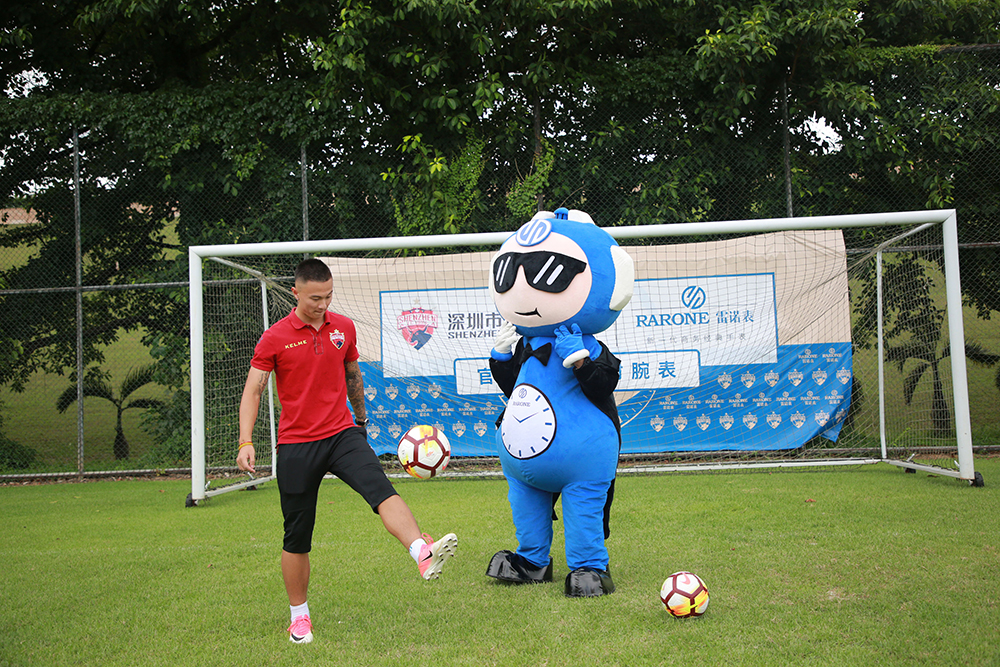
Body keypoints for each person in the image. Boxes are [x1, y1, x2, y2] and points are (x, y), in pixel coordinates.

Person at [236, 258, 457, 644]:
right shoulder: (275, 337)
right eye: (315, 298)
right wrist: (246, 440)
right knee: (297, 534)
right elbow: (253, 389)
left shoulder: (343, 328)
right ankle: (299, 617)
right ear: (296, 293)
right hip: (297, 444)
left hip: (342, 433)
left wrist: (361, 420)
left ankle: (421, 551)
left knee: (380, 489)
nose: (322, 305)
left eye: (328, 296)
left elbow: (353, 374)